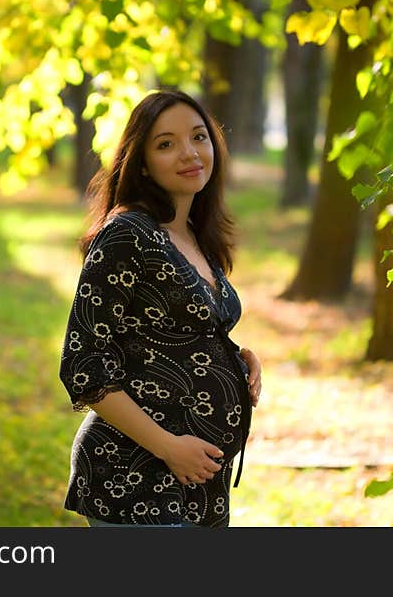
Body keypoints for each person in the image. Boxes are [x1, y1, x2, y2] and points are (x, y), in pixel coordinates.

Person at [58, 89, 263, 528]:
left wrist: (237, 357)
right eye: (166, 144)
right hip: (136, 478)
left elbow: (165, 331)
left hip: (198, 483)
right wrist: (169, 447)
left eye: (198, 137)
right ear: (143, 163)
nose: (189, 153)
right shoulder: (128, 234)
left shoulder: (192, 234)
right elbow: (83, 364)